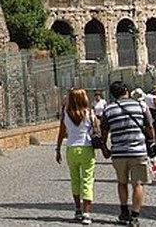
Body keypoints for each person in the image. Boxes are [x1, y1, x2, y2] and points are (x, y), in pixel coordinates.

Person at [101, 80, 154, 226]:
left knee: (122, 183)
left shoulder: (108, 109)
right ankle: (135, 216)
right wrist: (153, 141)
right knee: (138, 184)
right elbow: (149, 126)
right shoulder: (140, 105)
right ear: (126, 91)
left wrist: (104, 148)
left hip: (118, 152)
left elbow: (104, 132)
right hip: (138, 151)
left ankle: (124, 212)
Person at [56, 88, 98, 225]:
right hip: (86, 148)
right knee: (87, 179)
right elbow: (96, 130)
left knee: (75, 179)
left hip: (71, 149)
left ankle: (78, 209)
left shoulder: (66, 115)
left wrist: (58, 149)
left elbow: (61, 133)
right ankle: (86, 212)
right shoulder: (89, 113)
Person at [143, 87, 156, 155]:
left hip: (148, 112)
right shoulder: (154, 97)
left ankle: (149, 147)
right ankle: (155, 148)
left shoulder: (146, 96)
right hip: (154, 113)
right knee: (155, 132)